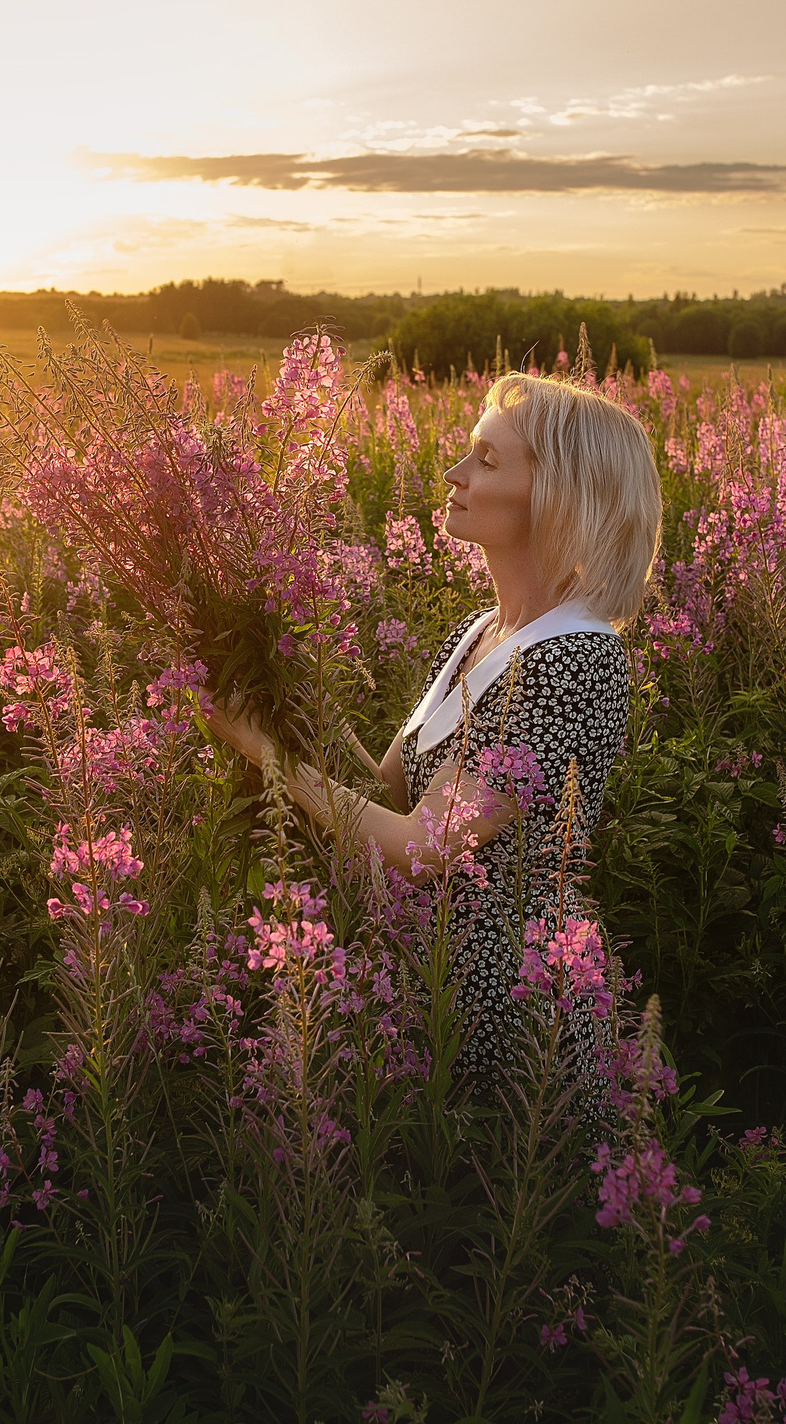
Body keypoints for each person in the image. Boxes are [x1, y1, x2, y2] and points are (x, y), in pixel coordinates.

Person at [205, 371, 664, 1083]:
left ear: (558, 496)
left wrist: (261, 750)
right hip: (429, 985)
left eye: (486, 459)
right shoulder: (479, 632)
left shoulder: (577, 656)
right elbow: (379, 789)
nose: (454, 473)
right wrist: (286, 684)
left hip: (510, 1012)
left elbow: (420, 845)